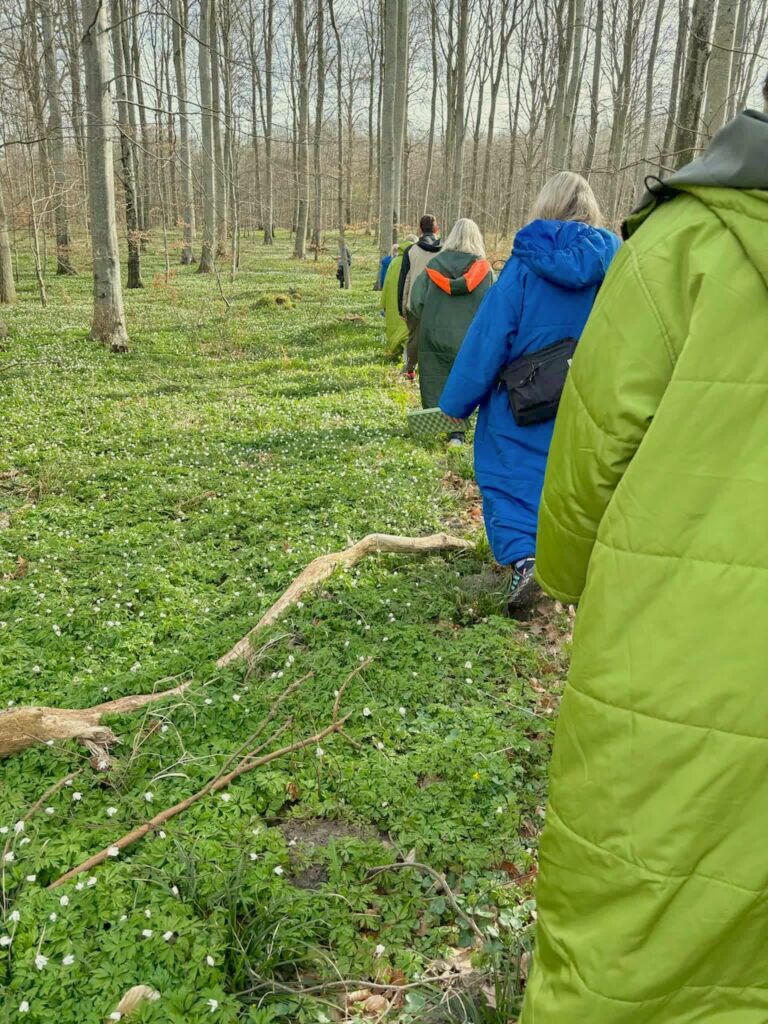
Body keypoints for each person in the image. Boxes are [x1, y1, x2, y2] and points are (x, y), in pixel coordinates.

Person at [519, 100, 768, 1022]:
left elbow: (592, 452)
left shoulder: (680, 244)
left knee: (634, 923)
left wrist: (564, 574)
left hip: (681, 643)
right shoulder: (628, 252)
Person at [439, 172, 620, 606]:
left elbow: (491, 336)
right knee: (579, 474)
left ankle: (526, 561)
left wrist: (456, 403)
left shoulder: (525, 261)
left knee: (505, 471)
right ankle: (579, 563)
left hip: (524, 396)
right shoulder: (618, 260)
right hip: (588, 391)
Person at [408, 218, 493, 446]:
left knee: (438, 379)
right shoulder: (485, 270)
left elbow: (415, 304)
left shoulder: (433, 267)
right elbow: (497, 306)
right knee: (466, 380)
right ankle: (461, 431)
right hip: (470, 337)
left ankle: (444, 426)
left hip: (434, 335)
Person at [397, 214, 442, 379]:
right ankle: (434, 371)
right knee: (437, 337)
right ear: (436, 229)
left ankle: (409, 370)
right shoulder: (445, 250)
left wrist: (401, 307)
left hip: (414, 303)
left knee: (414, 338)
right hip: (439, 303)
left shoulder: (411, 250)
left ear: (420, 229)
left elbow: (404, 280)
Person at [380, 236, 417, 361]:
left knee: (396, 327)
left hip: (393, 302)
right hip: (408, 301)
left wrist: (383, 303)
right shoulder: (414, 261)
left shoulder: (394, 262)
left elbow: (386, 284)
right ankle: (407, 356)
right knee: (407, 329)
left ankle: (398, 352)